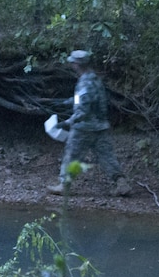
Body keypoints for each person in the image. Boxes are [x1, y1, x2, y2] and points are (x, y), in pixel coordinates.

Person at [47, 50, 131, 196]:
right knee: (107, 157)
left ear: (77, 65)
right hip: (101, 126)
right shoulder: (95, 79)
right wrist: (67, 102)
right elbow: (89, 99)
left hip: (84, 128)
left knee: (71, 155)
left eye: (73, 62)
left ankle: (64, 186)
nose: (71, 64)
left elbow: (82, 111)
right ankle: (121, 184)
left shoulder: (83, 83)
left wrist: (66, 122)